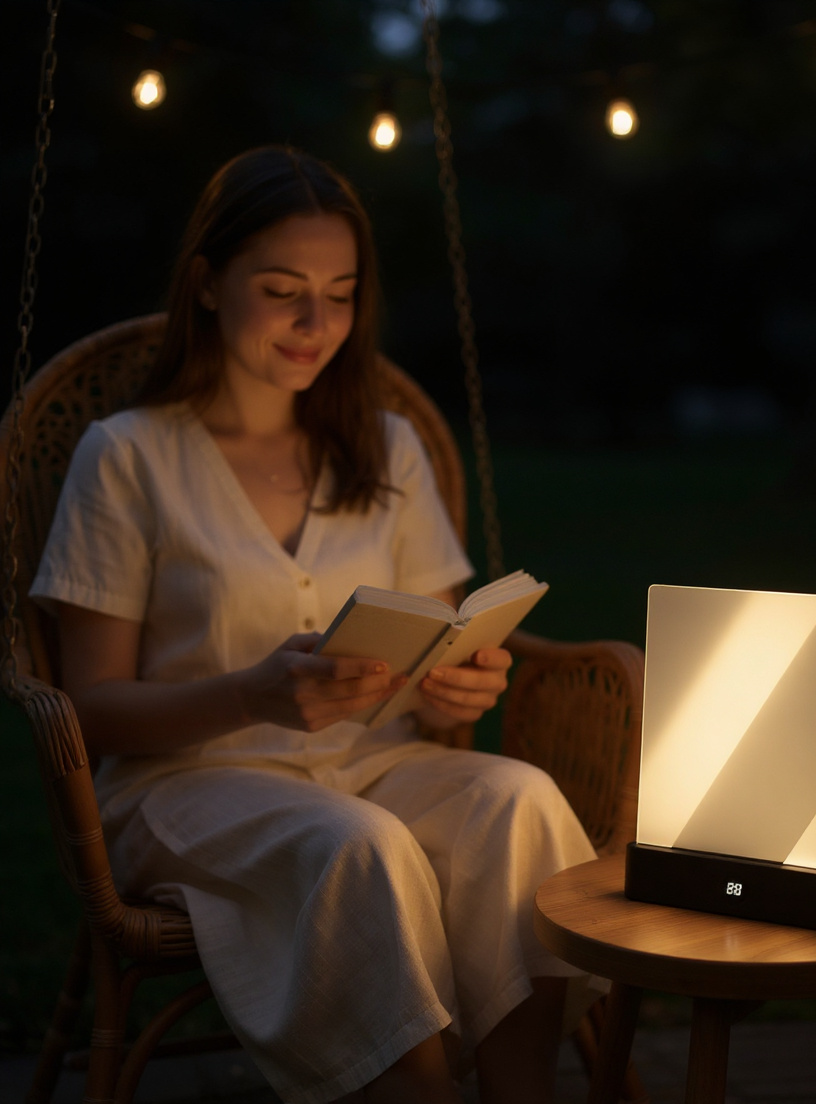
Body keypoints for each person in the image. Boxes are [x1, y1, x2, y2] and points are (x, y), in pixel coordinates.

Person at [30, 146, 598, 1104]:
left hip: (376, 761)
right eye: (284, 289)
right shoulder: (127, 457)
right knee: (357, 846)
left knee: (521, 800)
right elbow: (88, 708)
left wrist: (466, 673)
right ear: (207, 285)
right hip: (189, 785)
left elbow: (439, 630)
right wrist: (252, 692)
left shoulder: (386, 444)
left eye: (339, 294)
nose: (314, 324)